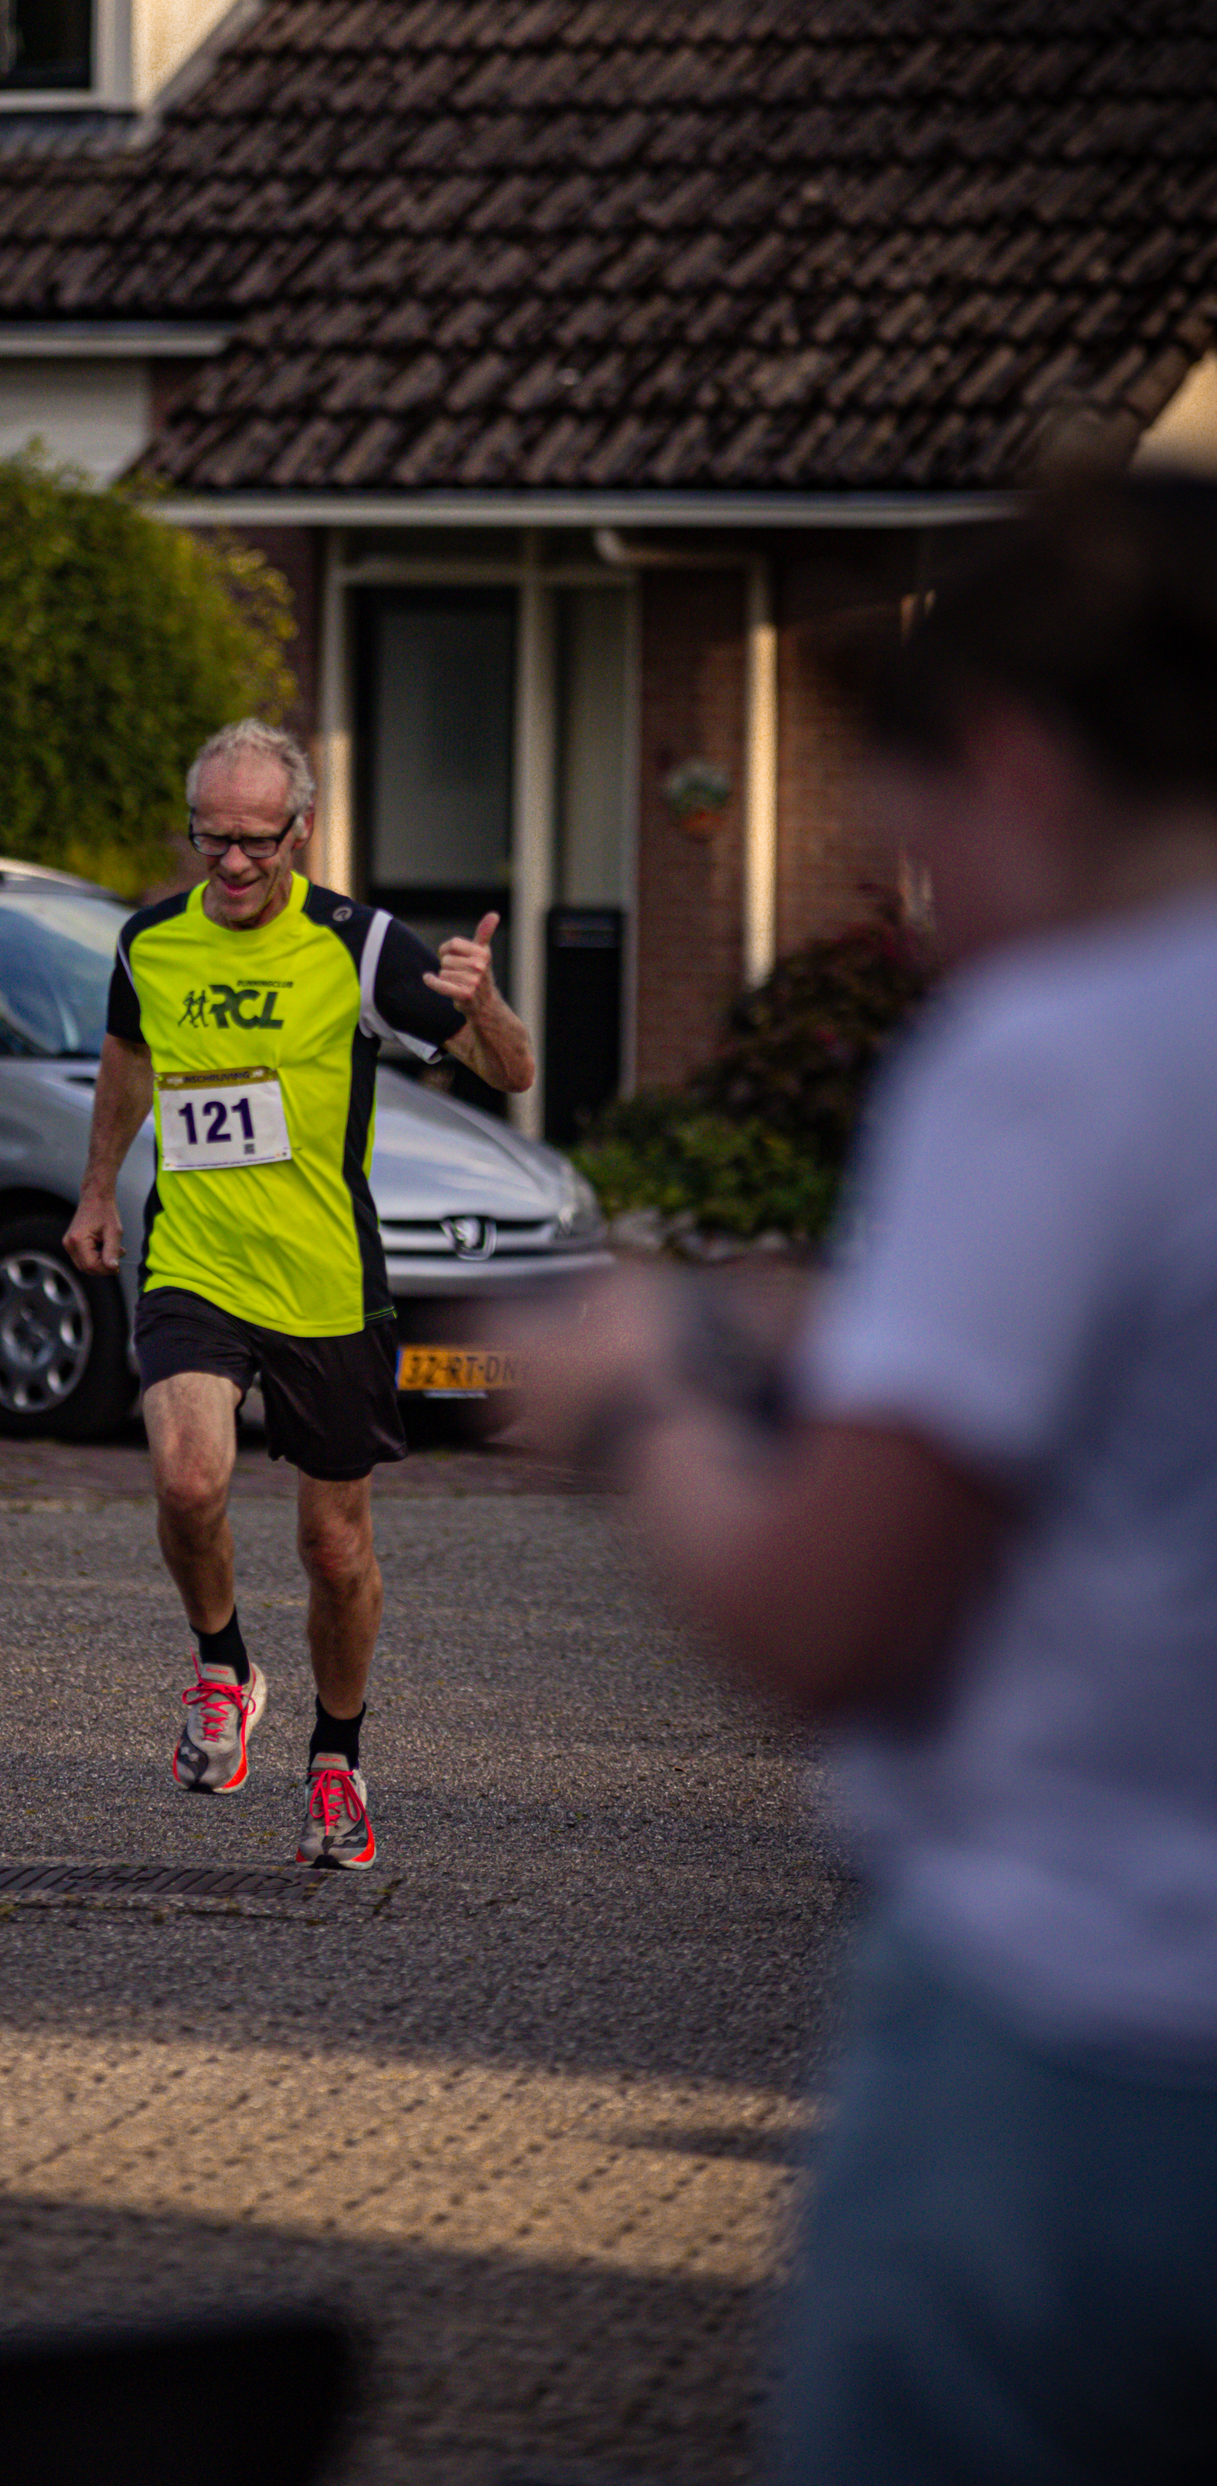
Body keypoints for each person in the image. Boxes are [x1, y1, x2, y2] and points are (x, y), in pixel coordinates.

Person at [535, 451, 1217, 2480]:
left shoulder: (1053, 1055)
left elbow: (826, 1616)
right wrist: (850, 1334)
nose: (923, 913)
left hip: (1079, 2059)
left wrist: (636, 1396)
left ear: (1010, 765)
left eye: (917, 838)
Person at [63, 718, 534, 1869]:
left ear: (301, 831)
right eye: (209, 840)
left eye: (254, 843)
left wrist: (479, 1005)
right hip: (197, 1259)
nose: (229, 865)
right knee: (185, 1478)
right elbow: (128, 1057)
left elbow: (511, 1072)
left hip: (324, 1282)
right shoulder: (149, 943)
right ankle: (221, 1666)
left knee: (333, 1549)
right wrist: (97, 1192)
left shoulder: (360, 947)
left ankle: (335, 1761)